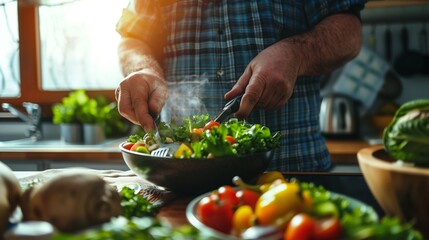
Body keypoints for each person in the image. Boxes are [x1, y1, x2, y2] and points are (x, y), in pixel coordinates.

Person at [115, 0, 367, 172]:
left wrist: (296, 55)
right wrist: (143, 69)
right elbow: (132, 40)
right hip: (179, 180)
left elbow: (349, 32)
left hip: (294, 173)